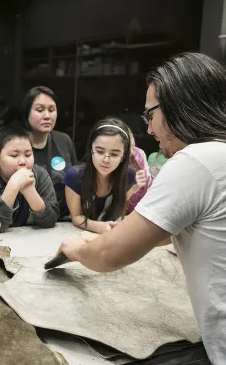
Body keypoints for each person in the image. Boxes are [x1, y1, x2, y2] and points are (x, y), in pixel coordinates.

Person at [56, 52, 226, 364]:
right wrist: (102, 236)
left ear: (179, 104)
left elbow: (111, 255)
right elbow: (163, 228)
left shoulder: (195, 161)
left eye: (150, 115)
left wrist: (78, 248)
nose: (148, 129)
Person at [0, 86, 77, 219]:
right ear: (27, 112)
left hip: (57, 220)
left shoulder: (63, 140)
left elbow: (75, 183)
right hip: (13, 222)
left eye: (52, 110)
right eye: (40, 110)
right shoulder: (7, 144)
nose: (47, 116)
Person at [63, 118, 145, 234]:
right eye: (100, 152)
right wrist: (100, 227)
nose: (106, 160)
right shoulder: (75, 175)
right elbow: (76, 218)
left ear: (124, 156)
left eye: (114, 154)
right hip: (68, 231)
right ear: (91, 149)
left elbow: (116, 212)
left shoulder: (129, 175)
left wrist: (133, 190)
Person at [0, 124, 59, 232]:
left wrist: (30, 192)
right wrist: (12, 187)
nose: (23, 161)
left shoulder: (40, 176)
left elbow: (51, 220)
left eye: (28, 155)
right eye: (14, 156)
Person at [126, 128, 154, 213]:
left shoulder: (138, 153)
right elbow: (112, 205)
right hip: (124, 212)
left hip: (145, 206)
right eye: (127, 148)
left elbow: (149, 181)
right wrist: (134, 188)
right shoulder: (113, 163)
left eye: (132, 146)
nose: (131, 151)